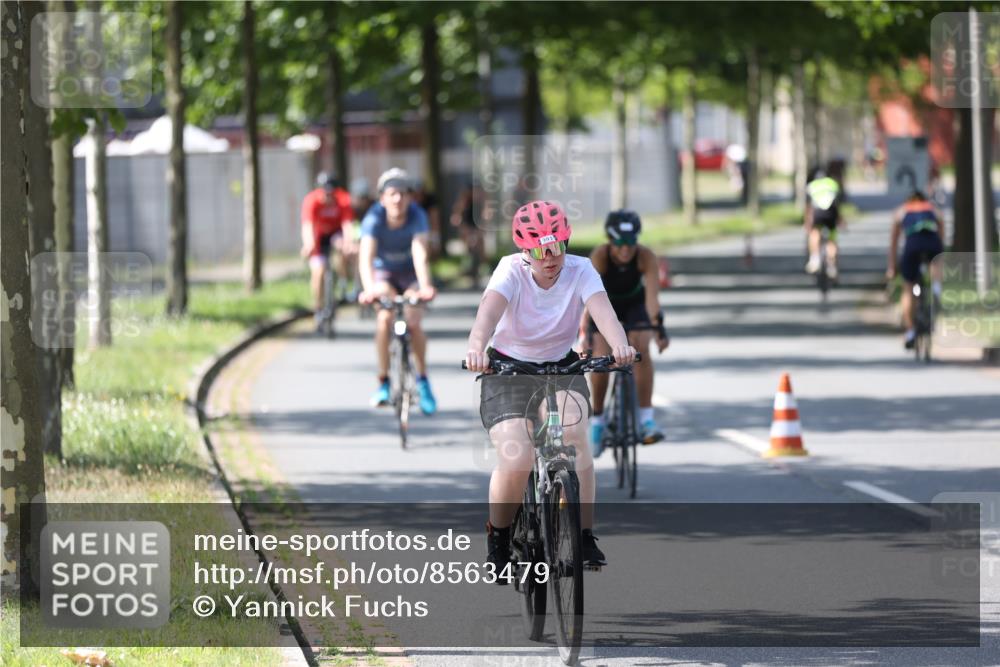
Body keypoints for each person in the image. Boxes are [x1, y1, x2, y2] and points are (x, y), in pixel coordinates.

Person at [464, 200, 637, 576]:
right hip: (507, 368)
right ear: (525, 252)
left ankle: (584, 533)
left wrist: (619, 345)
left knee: (575, 435)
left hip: (561, 366)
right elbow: (487, 315)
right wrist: (476, 348)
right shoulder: (509, 271)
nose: (550, 257)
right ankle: (499, 536)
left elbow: (604, 312)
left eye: (557, 246)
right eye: (540, 250)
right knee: (517, 455)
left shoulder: (581, 270)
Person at [581, 210, 669, 453]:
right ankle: (598, 421)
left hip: (633, 305)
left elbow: (652, 298)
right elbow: (588, 299)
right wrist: (586, 334)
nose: (625, 249)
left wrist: (658, 328)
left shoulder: (645, 256)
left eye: (630, 243)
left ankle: (646, 419)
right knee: (601, 357)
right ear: (610, 241)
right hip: (603, 306)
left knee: (641, 347)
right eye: (619, 243)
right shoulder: (599, 257)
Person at [358, 168, 439, 414]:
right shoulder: (373, 218)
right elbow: (366, 257)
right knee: (384, 319)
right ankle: (383, 381)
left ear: (410, 198)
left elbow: (420, 253)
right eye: (392, 194)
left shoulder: (417, 215)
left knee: (413, 323)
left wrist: (425, 286)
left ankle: (423, 381)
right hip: (384, 275)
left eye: (403, 194)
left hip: (411, 275)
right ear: (382, 198)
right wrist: (369, 290)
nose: (397, 199)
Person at [886, 190, 944, 349]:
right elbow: (941, 226)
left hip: (913, 245)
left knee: (908, 287)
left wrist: (892, 266)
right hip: (932, 241)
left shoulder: (902, 210)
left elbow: (894, 242)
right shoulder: (931, 208)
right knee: (936, 262)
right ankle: (937, 287)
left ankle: (911, 330)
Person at [301, 172, 356, 331]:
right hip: (318, 236)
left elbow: (347, 225)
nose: (328, 197)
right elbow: (307, 226)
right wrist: (308, 245)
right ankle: (318, 308)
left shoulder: (343, 199)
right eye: (325, 193)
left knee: (342, 248)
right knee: (318, 272)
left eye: (331, 193)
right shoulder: (311, 201)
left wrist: (349, 243)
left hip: (335, 234)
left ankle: (343, 282)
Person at [804, 168, 844, 279]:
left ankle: (815, 259)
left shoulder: (812, 186)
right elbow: (837, 204)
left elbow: (809, 207)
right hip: (831, 213)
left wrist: (808, 223)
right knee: (832, 239)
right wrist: (840, 220)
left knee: (814, 232)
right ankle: (832, 266)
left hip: (817, 213)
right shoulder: (833, 184)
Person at [450, 182, 486, 287]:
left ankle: (478, 269)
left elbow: (485, 216)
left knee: (480, 248)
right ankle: (470, 268)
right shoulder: (464, 202)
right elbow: (457, 216)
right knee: (470, 247)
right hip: (467, 227)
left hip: (477, 227)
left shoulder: (482, 202)